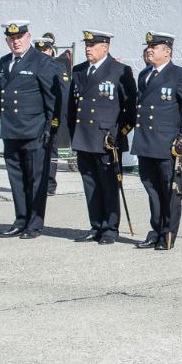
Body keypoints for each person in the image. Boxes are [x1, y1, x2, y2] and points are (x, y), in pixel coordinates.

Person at [131, 32, 182, 250]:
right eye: (148, 47)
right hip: (146, 143)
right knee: (152, 190)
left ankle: (168, 235)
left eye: (155, 47)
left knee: (169, 192)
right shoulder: (144, 75)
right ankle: (156, 230)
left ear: (167, 51)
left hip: (168, 146)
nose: (149, 50)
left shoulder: (179, 76)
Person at [68, 29, 137, 245]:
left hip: (107, 140)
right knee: (90, 185)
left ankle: (110, 228)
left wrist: (118, 134)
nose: (88, 48)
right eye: (87, 45)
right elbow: (72, 108)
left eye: (93, 45)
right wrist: (74, 136)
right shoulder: (79, 71)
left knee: (108, 186)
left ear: (105, 47)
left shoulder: (119, 71)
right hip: (84, 138)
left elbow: (131, 110)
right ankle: (95, 225)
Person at [0, 21, 61, 239]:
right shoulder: (5, 62)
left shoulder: (42, 61)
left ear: (28, 36)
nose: (16, 42)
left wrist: (50, 129)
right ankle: (20, 219)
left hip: (34, 131)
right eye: (11, 38)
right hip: (11, 130)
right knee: (16, 179)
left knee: (35, 180)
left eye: (20, 37)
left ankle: (34, 223)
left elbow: (52, 100)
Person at [34, 32, 70, 196]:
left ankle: (49, 184)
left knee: (51, 151)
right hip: (34, 118)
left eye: (45, 50)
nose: (42, 53)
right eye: (39, 50)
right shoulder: (31, 67)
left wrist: (56, 119)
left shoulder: (58, 67)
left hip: (51, 117)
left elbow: (63, 94)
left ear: (50, 50)